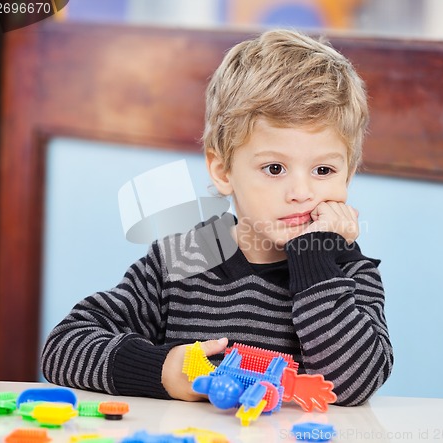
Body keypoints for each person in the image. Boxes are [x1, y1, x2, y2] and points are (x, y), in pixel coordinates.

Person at [41, 29, 393, 406]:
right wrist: (160, 370)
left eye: (323, 171)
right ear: (223, 171)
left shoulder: (347, 271)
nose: (301, 192)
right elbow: (64, 346)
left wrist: (316, 256)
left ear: (348, 176)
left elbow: (353, 384)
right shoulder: (187, 258)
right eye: (274, 168)